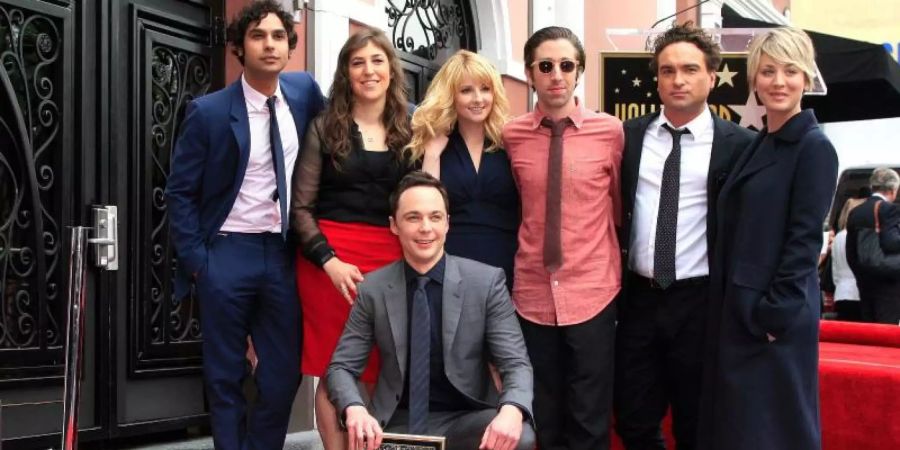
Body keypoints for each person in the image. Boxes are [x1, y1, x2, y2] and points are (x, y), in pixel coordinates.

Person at [165, 2, 325, 449]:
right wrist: (200, 262)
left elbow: (350, 120)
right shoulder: (209, 112)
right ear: (239, 47)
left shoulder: (305, 91)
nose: (270, 44)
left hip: (281, 253)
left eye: (278, 36)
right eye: (258, 36)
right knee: (225, 374)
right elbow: (180, 192)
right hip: (226, 253)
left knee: (282, 374)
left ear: (290, 46)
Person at [614, 23, 755, 450]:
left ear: (712, 77)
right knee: (634, 420)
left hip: (702, 304)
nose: (678, 80)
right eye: (668, 70)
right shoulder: (627, 137)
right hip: (637, 299)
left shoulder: (740, 145)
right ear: (656, 77)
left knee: (699, 423)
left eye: (690, 69)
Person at [698, 27, 838, 450]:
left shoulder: (813, 147)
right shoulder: (761, 142)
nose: (779, 82)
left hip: (772, 319)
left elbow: (803, 241)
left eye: (791, 71)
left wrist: (773, 317)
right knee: (740, 429)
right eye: (769, 70)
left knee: (770, 431)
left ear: (807, 80)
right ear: (754, 78)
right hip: (737, 312)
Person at [326, 171, 536, 450]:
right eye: (413, 217)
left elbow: (516, 363)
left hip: (465, 421)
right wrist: (355, 409)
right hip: (391, 423)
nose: (426, 227)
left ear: (448, 223)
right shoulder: (373, 288)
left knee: (520, 436)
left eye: (435, 217)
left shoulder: (486, 283)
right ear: (394, 225)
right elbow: (341, 366)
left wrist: (512, 409)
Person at [290, 27, 412, 450]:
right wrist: (330, 261)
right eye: (358, 62)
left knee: (383, 363)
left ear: (391, 70)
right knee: (336, 363)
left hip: (392, 259)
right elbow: (301, 210)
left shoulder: (412, 127)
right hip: (330, 263)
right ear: (346, 72)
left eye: (377, 60)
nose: (369, 70)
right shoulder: (325, 127)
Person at [502, 26, 624, 450]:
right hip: (532, 294)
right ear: (530, 73)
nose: (557, 75)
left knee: (590, 420)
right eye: (546, 66)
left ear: (579, 72)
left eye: (567, 65)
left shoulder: (611, 133)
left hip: (593, 289)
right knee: (544, 415)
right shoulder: (511, 135)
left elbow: (619, 206)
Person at [407, 50, 519, 291]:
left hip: (506, 266)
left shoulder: (510, 143)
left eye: (485, 89)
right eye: (466, 90)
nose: (478, 98)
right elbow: (426, 205)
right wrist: (432, 155)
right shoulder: (434, 144)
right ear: (451, 96)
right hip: (449, 265)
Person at [846, 167, 900, 323]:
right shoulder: (888, 209)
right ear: (892, 189)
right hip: (888, 283)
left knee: (868, 330)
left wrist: (860, 275)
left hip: (864, 282)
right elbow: (890, 242)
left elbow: (851, 251)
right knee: (886, 330)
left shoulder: (856, 212)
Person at [831, 198, 865, 321]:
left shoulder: (838, 237)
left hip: (841, 292)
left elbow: (835, 270)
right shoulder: (857, 236)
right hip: (857, 293)